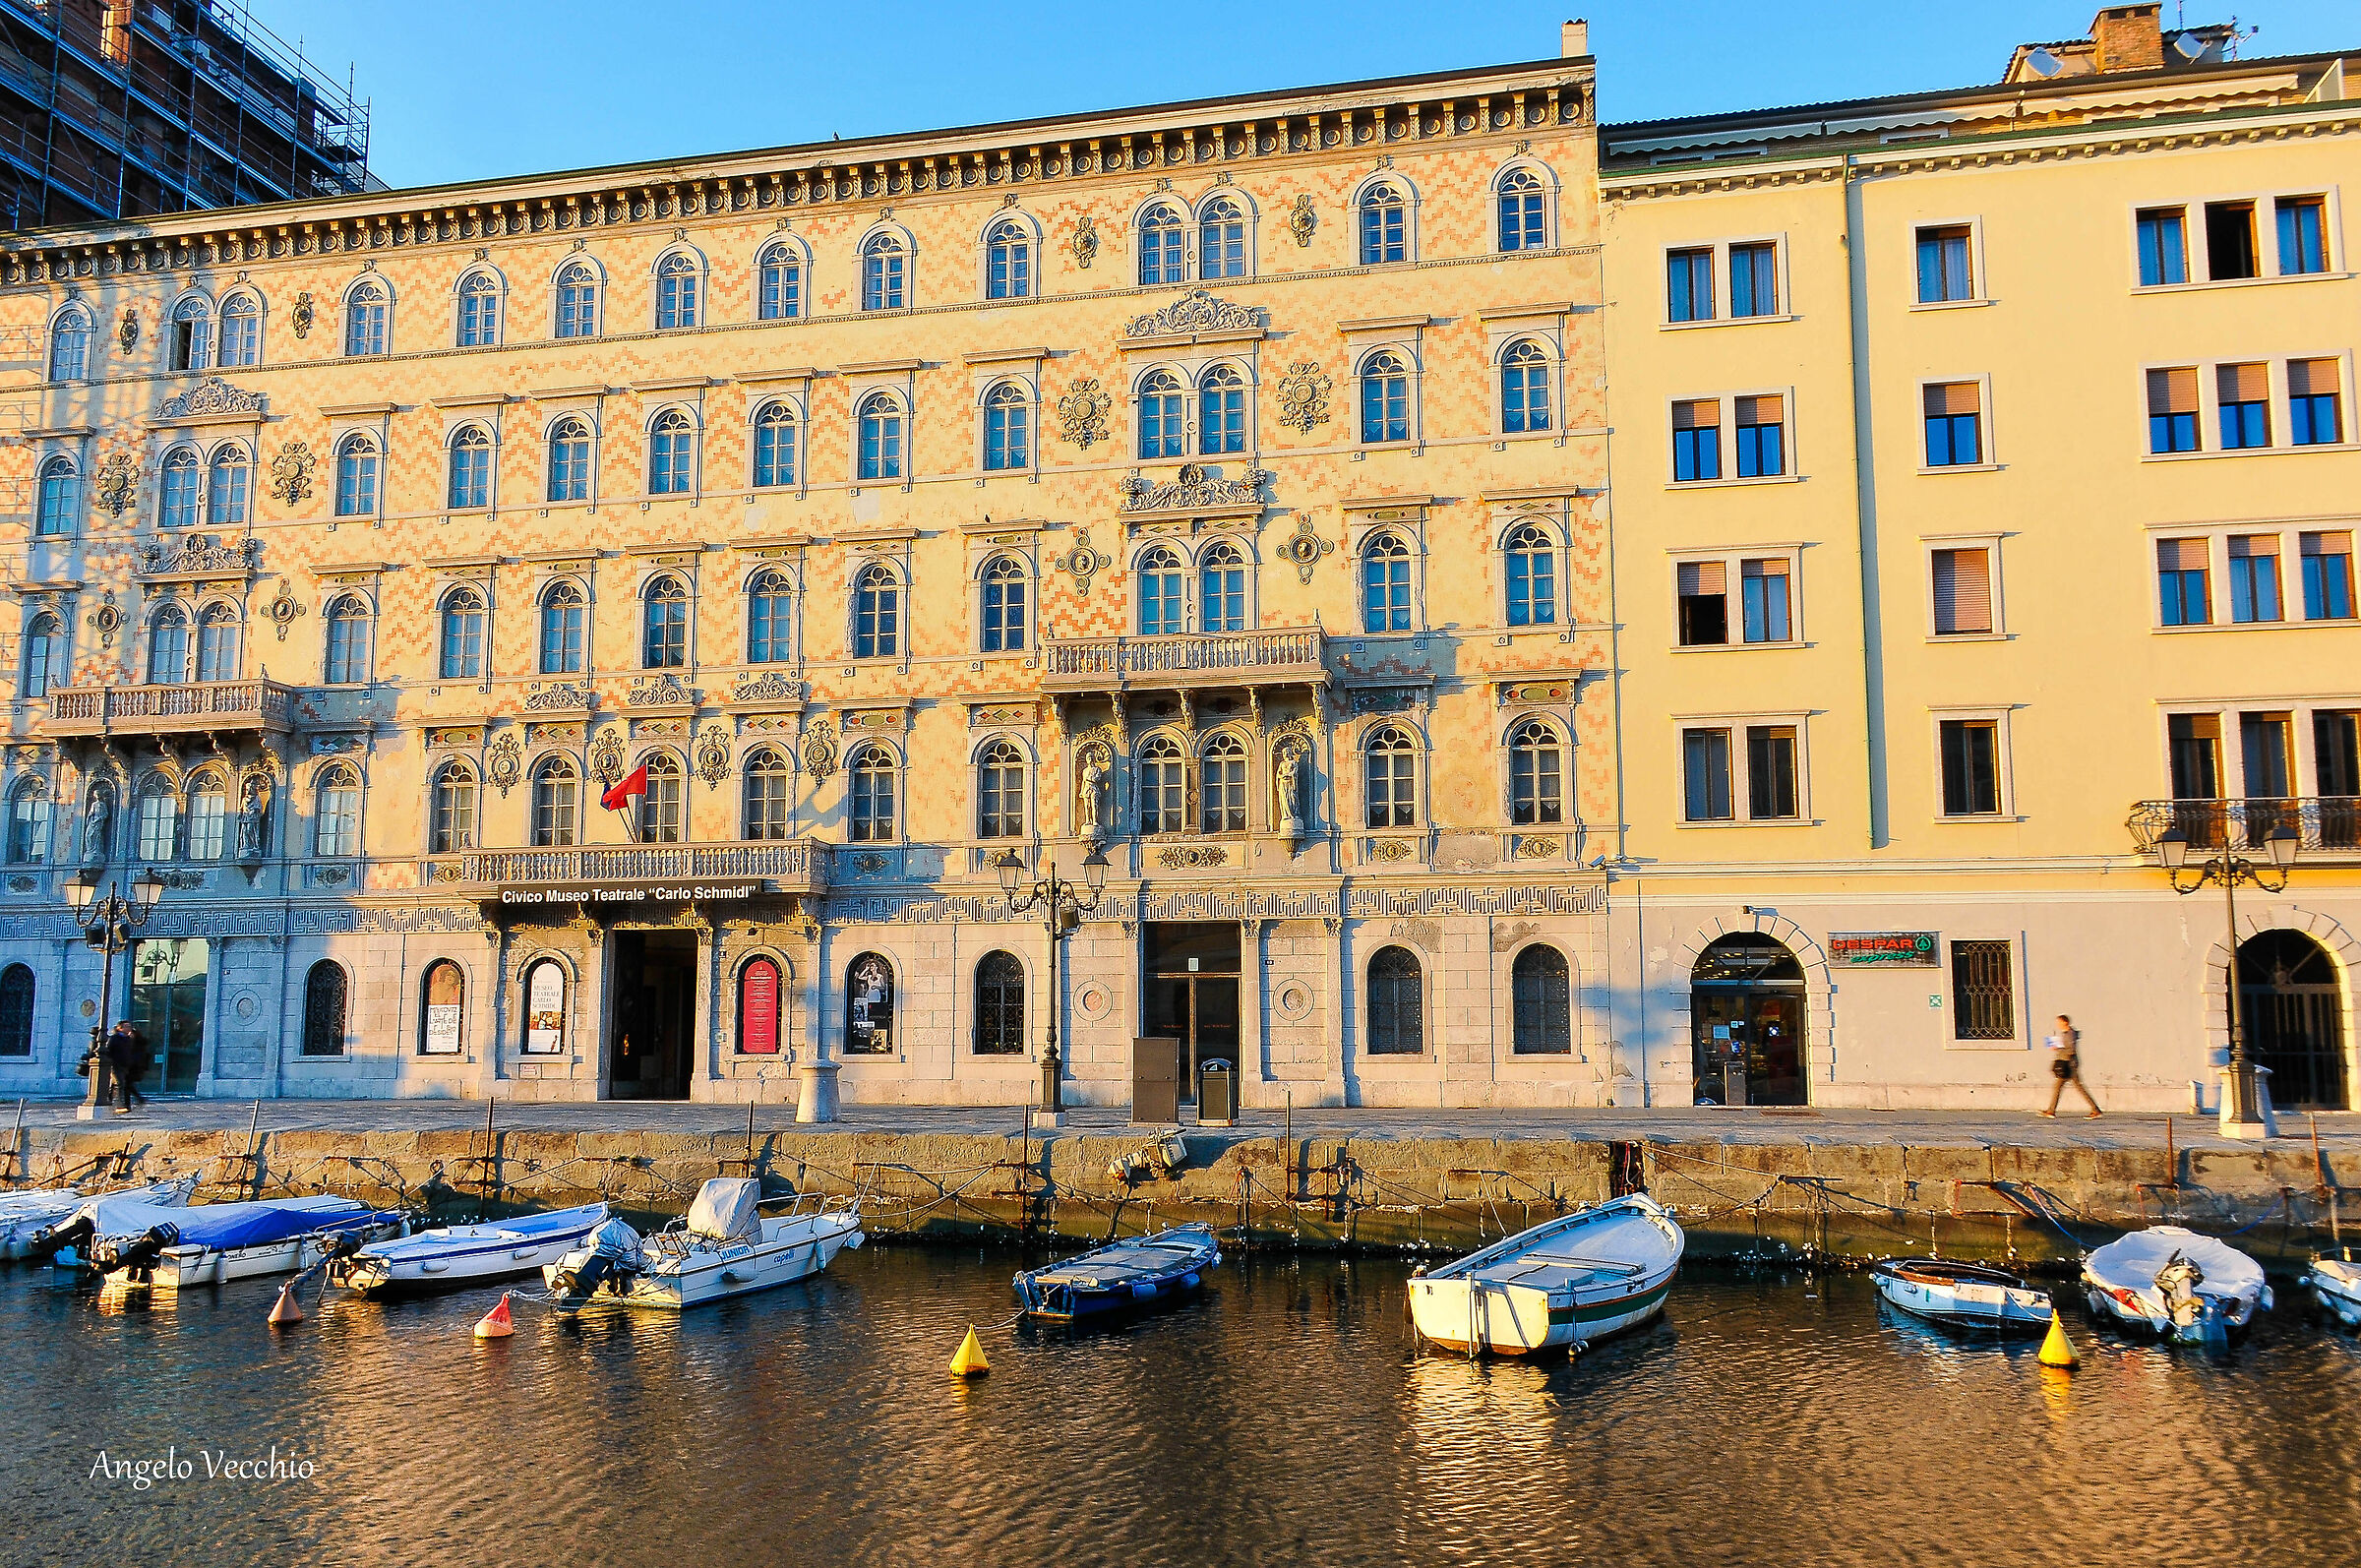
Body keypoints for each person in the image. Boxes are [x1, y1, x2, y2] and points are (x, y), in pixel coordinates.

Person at [2041, 1014, 2100, 1118]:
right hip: (2067, 1063)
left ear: (2065, 1022)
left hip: (2069, 1064)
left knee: (2077, 1087)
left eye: (2059, 1022)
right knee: (2061, 1087)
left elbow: (2071, 1050)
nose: (2058, 1024)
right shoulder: (2066, 1033)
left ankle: (2095, 1110)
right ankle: (2051, 1110)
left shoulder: (2069, 1034)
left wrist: (2057, 1048)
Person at [104, 1020, 147, 1114]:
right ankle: (120, 1105)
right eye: (126, 1026)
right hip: (116, 1065)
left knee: (122, 1085)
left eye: (129, 1026)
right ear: (120, 1028)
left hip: (126, 1065)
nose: (129, 1028)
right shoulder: (114, 1038)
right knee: (120, 1084)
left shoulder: (128, 1039)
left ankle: (112, 1101)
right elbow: (108, 1051)